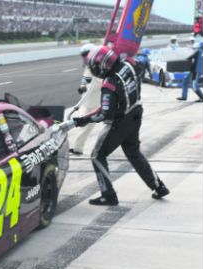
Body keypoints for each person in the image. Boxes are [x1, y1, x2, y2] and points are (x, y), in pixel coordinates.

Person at [72, 45, 170, 205]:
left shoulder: (109, 84)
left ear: (102, 65)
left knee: (97, 156)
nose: (94, 69)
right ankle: (159, 187)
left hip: (121, 121)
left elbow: (104, 114)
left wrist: (83, 120)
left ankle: (108, 195)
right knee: (134, 154)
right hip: (136, 112)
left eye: (95, 66)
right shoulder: (129, 65)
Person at [68, 43, 101, 156]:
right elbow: (85, 79)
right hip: (87, 101)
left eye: (84, 55)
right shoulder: (89, 66)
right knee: (83, 124)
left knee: (85, 125)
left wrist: (85, 88)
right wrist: (82, 87)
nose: (82, 57)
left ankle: (78, 148)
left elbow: (99, 83)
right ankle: (78, 147)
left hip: (94, 102)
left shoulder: (97, 67)